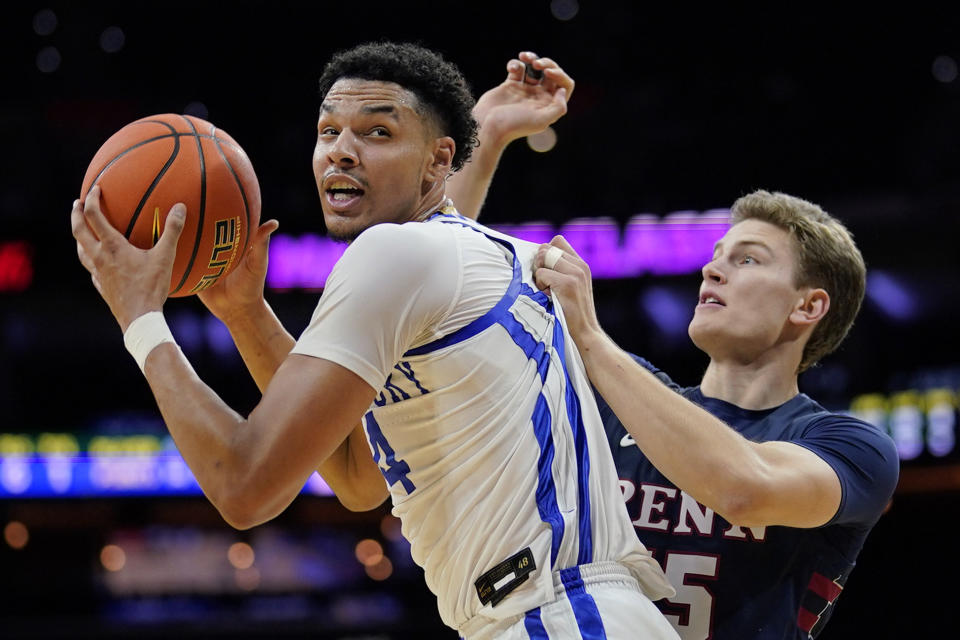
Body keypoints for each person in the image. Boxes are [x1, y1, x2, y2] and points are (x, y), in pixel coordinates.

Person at [70, 42, 681, 639]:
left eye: (377, 133)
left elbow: (244, 485)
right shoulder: (473, 254)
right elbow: (359, 475)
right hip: (571, 611)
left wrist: (140, 320)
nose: (341, 152)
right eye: (328, 131)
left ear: (439, 160)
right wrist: (247, 314)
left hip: (557, 616)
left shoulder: (394, 253)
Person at [528, 191, 900, 639]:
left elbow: (745, 491)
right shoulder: (618, 387)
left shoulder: (853, 447)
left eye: (748, 260)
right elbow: (441, 326)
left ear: (807, 306)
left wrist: (588, 336)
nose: (711, 269)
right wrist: (481, 144)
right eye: (717, 255)